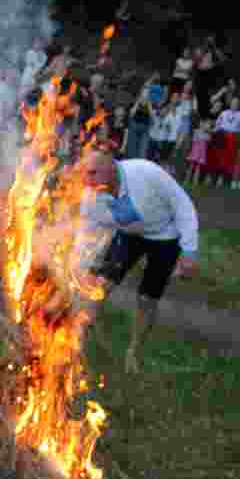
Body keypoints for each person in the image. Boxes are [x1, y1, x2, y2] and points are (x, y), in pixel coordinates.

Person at [80, 150, 200, 373]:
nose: (88, 181)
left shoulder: (145, 172)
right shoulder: (91, 195)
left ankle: (133, 352)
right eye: (86, 174)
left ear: (111, 168)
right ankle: (75, 341)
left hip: (164, 236)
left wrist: (189, 250)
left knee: (147, 299)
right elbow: (88, 231)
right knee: (99, 287)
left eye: (93, 173)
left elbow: (182, 204)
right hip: (128, 236)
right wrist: (82, 265)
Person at [206, 96, 240, 187]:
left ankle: (221, 178)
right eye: (233, 102)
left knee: (228, 159)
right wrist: (211, 131)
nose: (234, 104)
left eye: (236, 103)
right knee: (218, 157)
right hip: (221, 136)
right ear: (230, 103)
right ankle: (212, 177)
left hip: (232, 137)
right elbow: (218, 125)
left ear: (238, 105)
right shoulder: (223, 113)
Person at [123, 84, 154, 160]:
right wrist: (138, 102)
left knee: (142, 152)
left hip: (145, 128)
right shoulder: (136, 101)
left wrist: (149, 104)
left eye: (147, 93)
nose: (145, 95)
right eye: (144, 93)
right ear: (141, 93)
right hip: (134, 126)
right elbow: (131, 114)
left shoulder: (150, 103)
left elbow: (152, 118)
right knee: (132, 151)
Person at [185, 117, 213, 185]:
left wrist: (207, 132)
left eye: (207, 124)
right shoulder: (196, 131)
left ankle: (195, 181)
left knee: (198, 167)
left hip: (202, 152)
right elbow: (194, 140)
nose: (203, 125)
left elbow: (208, 140)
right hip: (195, 151)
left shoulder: (208, 134)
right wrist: (202, 133)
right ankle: (187, 179)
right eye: (202, 124)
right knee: (191, 166)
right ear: (200, 124)